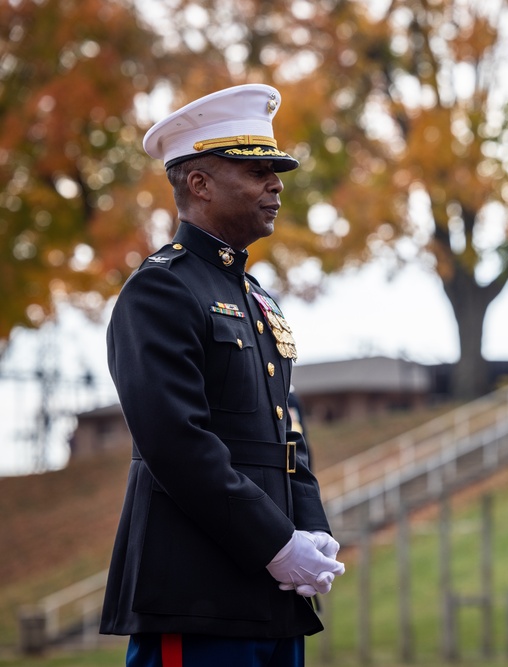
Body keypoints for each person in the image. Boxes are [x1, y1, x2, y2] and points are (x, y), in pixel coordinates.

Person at [100, 84, 345, 667]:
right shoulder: (162, 289)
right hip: (198, 592)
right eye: (256, 170)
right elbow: (177, 443)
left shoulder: (255, 297)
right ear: (199, 184)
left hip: (272, 595)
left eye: (276, 171)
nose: (276, 183)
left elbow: (289, 433)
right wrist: (276, 542)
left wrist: (308, 529)